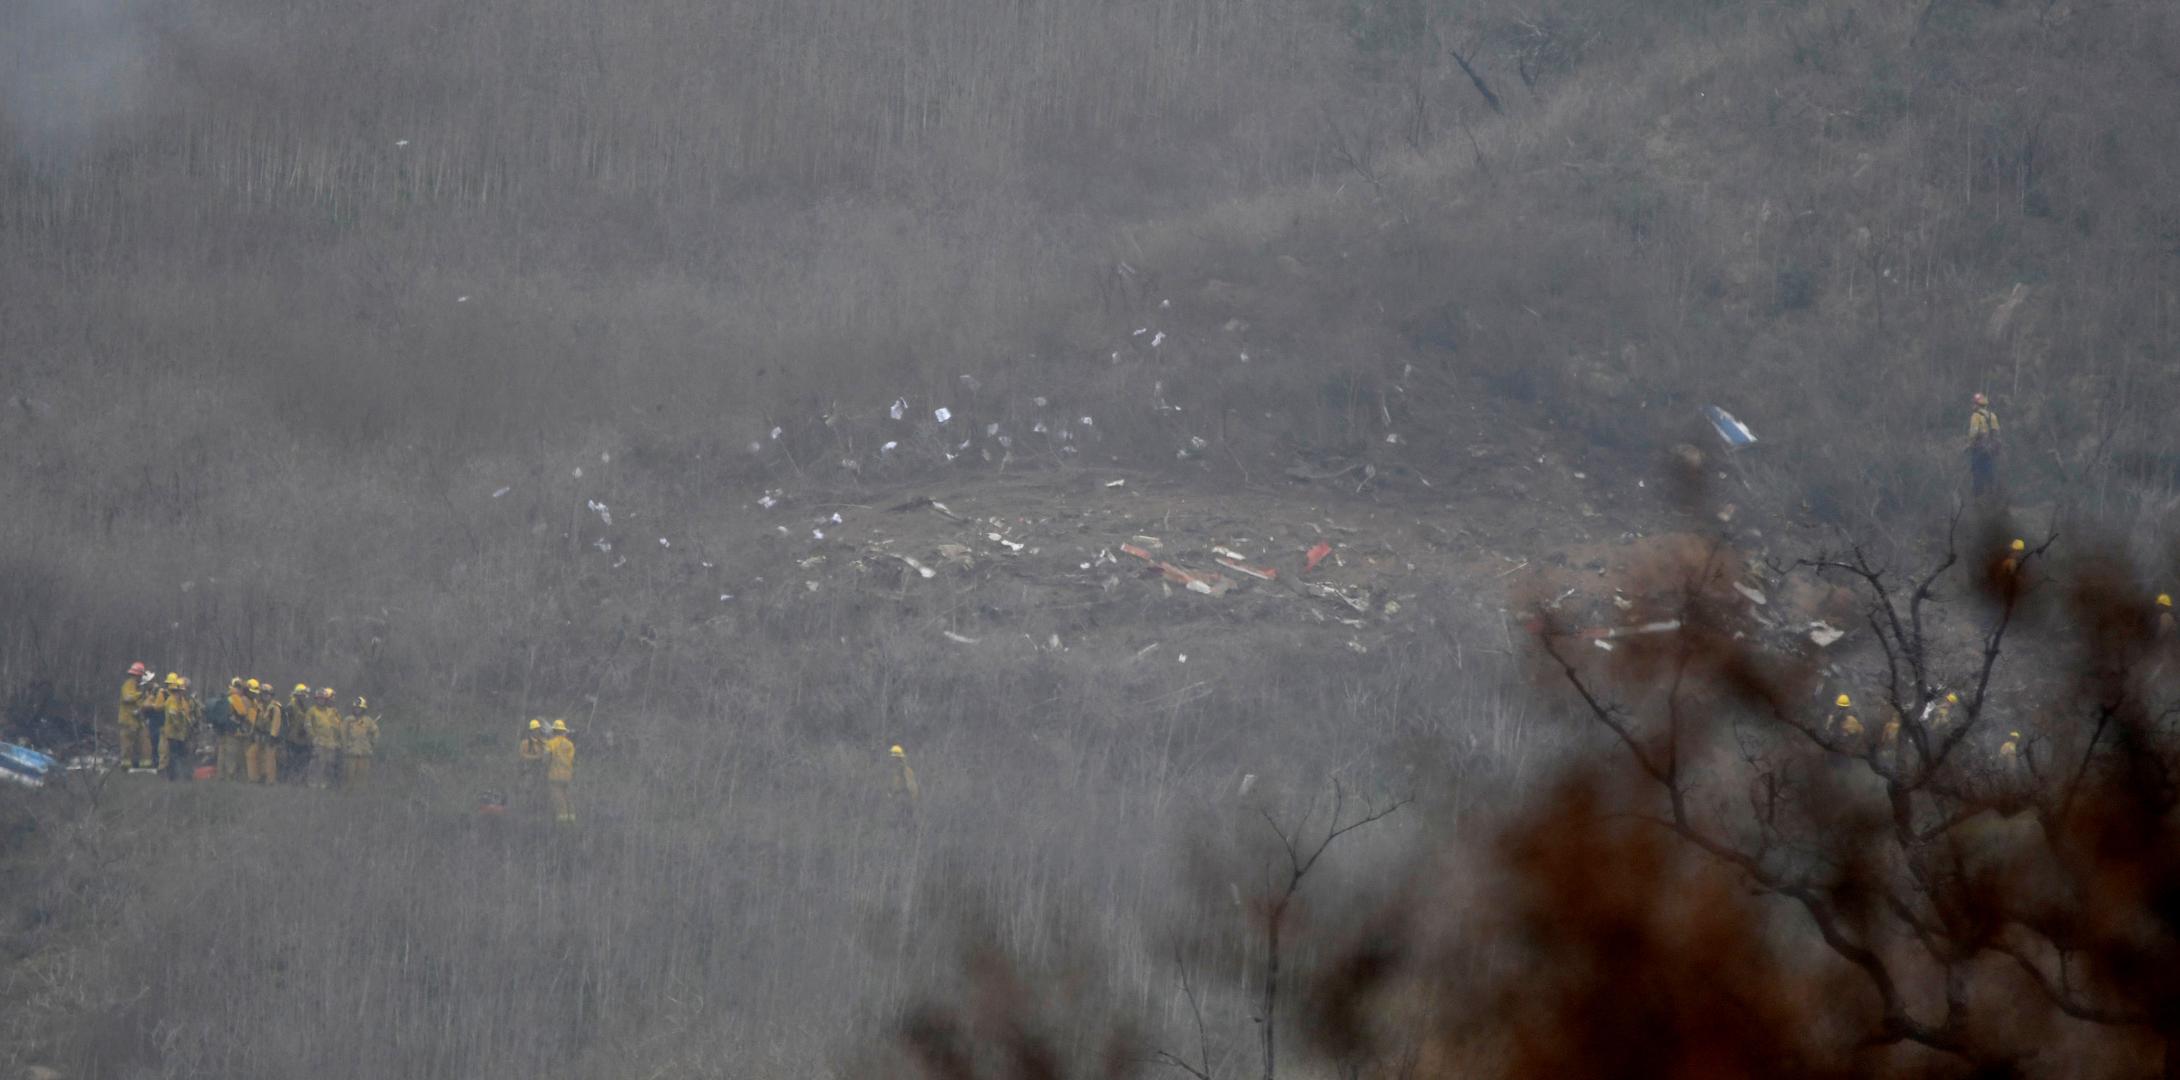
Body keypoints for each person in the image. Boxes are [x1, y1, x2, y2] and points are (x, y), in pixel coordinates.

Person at [158, 674, 199, 781]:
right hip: (173, 733)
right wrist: (179, 725)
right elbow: (173, 715)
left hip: (180, 734)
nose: (184, 692)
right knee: (174, 756)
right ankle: (174, 777)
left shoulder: (180, 701)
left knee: (180, 755)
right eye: (182, 690)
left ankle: (181, 776)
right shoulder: (172, 700)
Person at [119, 662, 155, 771]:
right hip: (128, 719)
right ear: (137, 675)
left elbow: (140, 703)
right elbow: (127, 698)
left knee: (144, 742)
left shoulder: (137, 686)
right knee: (127, 744)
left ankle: (145, 765)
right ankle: (126, 766)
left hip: (137, 719)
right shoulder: (128, 684)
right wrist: (140, 694)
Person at [217, 678, 254, 781]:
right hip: (232, 731)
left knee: (222, 754)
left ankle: (221, 776)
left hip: (222, 729)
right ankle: (230, 778)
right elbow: (242, 712)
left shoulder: (226, 696)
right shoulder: (235, 697)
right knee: (231, 755)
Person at [307, 688, 344, 789]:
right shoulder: (312, 711)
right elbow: (308, 725)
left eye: (323, 699)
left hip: (331, 743)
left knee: (328, 764)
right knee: (316, 763)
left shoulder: (332, 711)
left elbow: (338, 726)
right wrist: (313, 737)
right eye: (319, 699)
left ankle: (324, 783)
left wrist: (338, 740)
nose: (321, 701)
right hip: (319, 743)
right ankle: (313, 783)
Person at [248, 680, 283, 784]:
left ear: (271, 695)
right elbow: (255, 721)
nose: (265, 696)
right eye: (263, 694)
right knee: (252, 754)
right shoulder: (258, 706)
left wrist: (272, 737)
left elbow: (276, 723)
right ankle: (254, 778)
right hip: (259, 735)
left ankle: (269, 780)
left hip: (269, 736)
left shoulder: (275, 708)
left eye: (267, 694)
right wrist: (252, 733)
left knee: (269, 758)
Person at [1967, 392, 2001, 497]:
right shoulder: (1993, 416)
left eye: (1973, 404)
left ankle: (1978, 495)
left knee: (1977, 472)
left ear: (1976, 405)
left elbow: (1973, 432)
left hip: (1978, 448)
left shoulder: (1975, 416)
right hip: (1991, 449)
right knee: (1989, 470)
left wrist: (1969, 444)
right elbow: (1996, 431)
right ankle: (1991, 492)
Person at [342, 697, 379, 790]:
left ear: (363, 709)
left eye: (359, 708)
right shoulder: (348, 720)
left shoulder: (368, 720)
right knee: (349, 775)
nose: (357, 710)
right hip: (351, 753)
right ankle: (348, 794)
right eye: (356, 708)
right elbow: (343, 734)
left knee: (363, 775)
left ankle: (360, 794)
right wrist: (345, 747)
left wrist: (372, 742)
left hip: (364, 753)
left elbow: (376, 732)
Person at [545, 719, 576, 825]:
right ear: (563, 731)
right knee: (568, 798)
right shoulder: (570, 745)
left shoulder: (550, 743)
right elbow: (571, 759)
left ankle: (561, 824)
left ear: (554, 731)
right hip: (568, 776)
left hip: (555, 775)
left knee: (559, 799)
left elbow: (546, 759)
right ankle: (572, 821)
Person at [284, 684, 315, 784]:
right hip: (292, 738)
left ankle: (300, 780)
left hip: (301, 739)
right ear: (298, 694)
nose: (304, 697)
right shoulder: (291, 706)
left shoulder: (303, 706)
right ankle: (290, 780)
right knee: (292, 761)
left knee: (302, 761)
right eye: (303, 694)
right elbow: (286, 722)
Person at [518, 719, 549, 812]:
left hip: (541, 771)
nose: (537, 731)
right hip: (529, 771)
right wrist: (536, 757)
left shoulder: (544, 742)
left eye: (538, 729)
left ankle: (539, 809)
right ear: (531, 731)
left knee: (541, 791)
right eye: (535, 729)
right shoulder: (525, 743)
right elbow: (522, 756)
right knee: (528, 790)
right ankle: (527, 809)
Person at [888, 743, 921, 809]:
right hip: (897, 799)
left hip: (903, 800)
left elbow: (911, 786)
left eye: (894, 758)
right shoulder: (892, 771)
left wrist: (912, 798)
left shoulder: (905, 770)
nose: (891, 760)